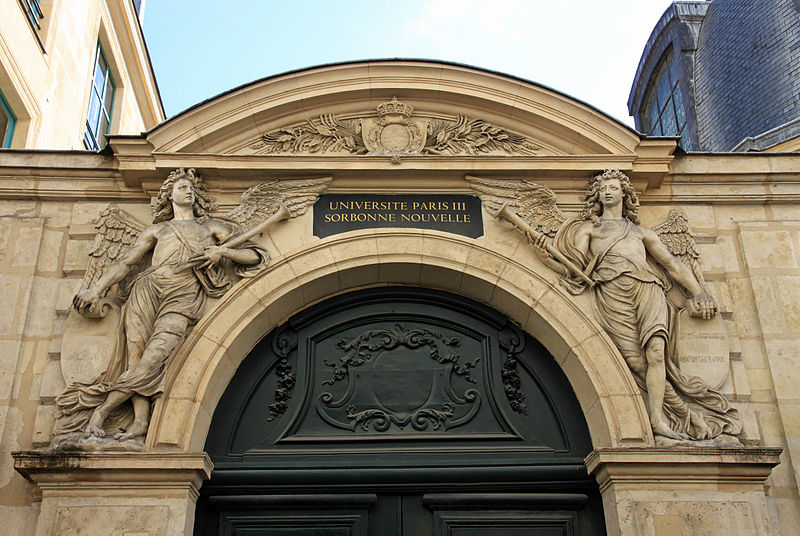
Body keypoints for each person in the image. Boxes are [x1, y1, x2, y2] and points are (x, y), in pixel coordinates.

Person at [57, 168, 268, 442]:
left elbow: (254, 255)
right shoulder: (157, 230)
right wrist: (96, 289)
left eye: (191, 188)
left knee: (154, 356)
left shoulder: (210, 228)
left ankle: (102, 410)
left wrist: (223, 251)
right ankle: (141, 421)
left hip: (183, 295)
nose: (188, 191)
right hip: (146, 290)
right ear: (169, 195)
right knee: (136, 356)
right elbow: (125, 264)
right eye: (182, 187)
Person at [534, 170, 740, 441]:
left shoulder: (640, 232)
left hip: (648, 289)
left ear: (624, 193)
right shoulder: (589, 229)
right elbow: (574, 268)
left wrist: (699, 292)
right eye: (603, 189)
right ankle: (686, 414)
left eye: (613, 187)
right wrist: (545, 255)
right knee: (636, 362)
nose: (607, 192)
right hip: (612, 292)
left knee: (655, 353)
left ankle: (657, 420)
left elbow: (672, 265)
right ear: (596, 196)